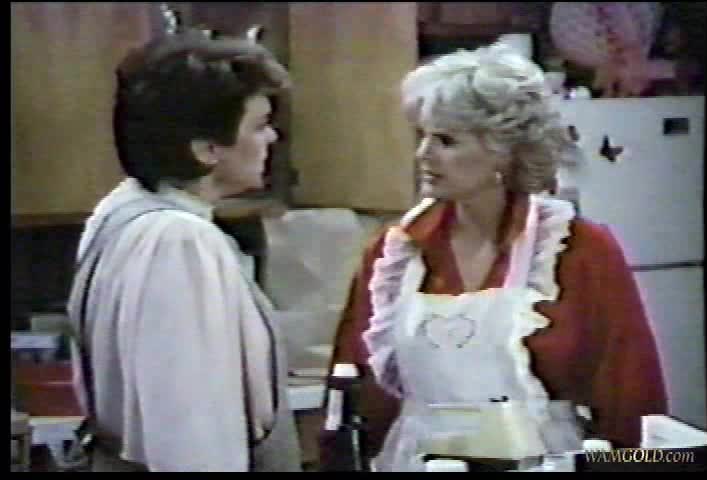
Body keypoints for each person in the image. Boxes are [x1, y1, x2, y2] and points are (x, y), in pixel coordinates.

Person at [325, 43, 667, 471]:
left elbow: (631, 399)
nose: (423, 154)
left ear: (503, 151)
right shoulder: (394, 254)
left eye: (446, 140)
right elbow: (353, 393)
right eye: (422, 136)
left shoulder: (579, 251)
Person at [66, 28, 301, 471]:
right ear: (207, 149)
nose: (271, 138)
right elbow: (193, 427)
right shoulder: (179, 243)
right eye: (259, 125)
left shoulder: (124, 208)